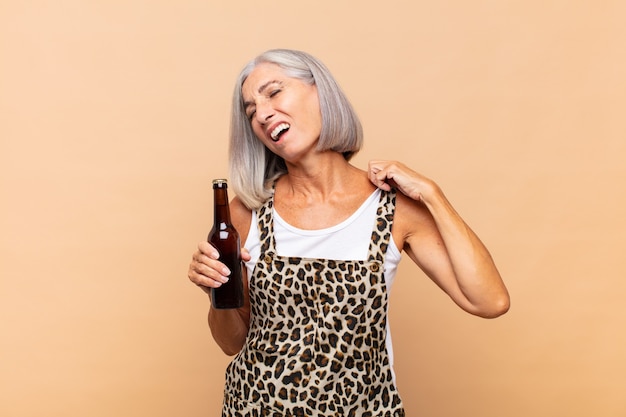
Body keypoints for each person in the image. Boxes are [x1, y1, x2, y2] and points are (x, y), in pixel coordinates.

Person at [188, 48, 510, 416]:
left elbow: (490, 301)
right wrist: (215, 291)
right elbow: (231, 341)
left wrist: (434, 196)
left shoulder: (394, 208)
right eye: (251, 111)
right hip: (255, 406)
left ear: (320, 90)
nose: (262, 114)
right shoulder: (247, 210)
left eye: (274, 92)